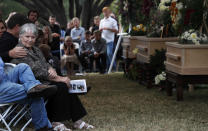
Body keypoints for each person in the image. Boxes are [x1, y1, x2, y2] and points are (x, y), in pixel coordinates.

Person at [11, 23, 94, 130]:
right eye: (27, 37)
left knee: (65, 85)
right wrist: (59, 78)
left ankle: (77, 120)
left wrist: (50, 68)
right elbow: (35, 71)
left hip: (43, 80)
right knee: (61, 86)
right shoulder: (20, 51)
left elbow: (44, 63)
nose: (30, 40)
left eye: (32, 37)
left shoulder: (35, 49)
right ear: (20, 36)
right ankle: (56, 121)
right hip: (32, 84)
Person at [0, 57, 57, 131]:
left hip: (4, 79)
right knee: (36, 93)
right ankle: (43, 127)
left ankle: (33, 86)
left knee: (23, 67)